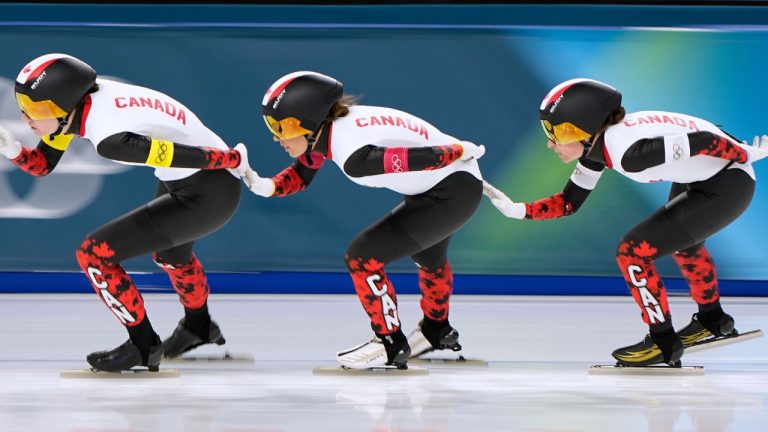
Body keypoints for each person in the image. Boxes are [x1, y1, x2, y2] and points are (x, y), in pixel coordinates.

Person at [483, 78, 767, 367]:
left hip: (729, 183)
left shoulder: (628, 153)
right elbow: (569, 202)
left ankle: (664, 342)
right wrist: (518, 210)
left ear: (587, 127)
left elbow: (705, 140)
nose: (551, 142)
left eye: (560, 131)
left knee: (633, 252)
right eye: (549, 130)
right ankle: (714, 320)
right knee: (686, 246)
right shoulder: (600, 145)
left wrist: (744, 153)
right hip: (706, 178)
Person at [0, 53, 251, 372]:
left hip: (208, 189)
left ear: (64, 106)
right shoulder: (82, 101)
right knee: (171, 256)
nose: (27, 119)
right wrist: (12, 149)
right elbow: (42, 166)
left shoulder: (111, 137)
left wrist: (231, 159)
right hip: (194, 182)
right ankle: (199, 327)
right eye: (24, 106)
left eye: (37, 109)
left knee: (94, 255)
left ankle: (144, 346)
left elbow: (183, 155)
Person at [241, 71, 485, 369]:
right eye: (272, 125)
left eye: (282, 126)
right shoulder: (332, 129)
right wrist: (265, 186)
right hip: (449, 185)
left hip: (452, 190)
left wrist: (459, 150)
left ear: (310, 120)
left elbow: (425, 157)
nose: (276, 136)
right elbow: (303, 173)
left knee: (362, 256)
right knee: (428, 254)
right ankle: (437, 330)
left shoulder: (353, 153)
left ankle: (389, 342)